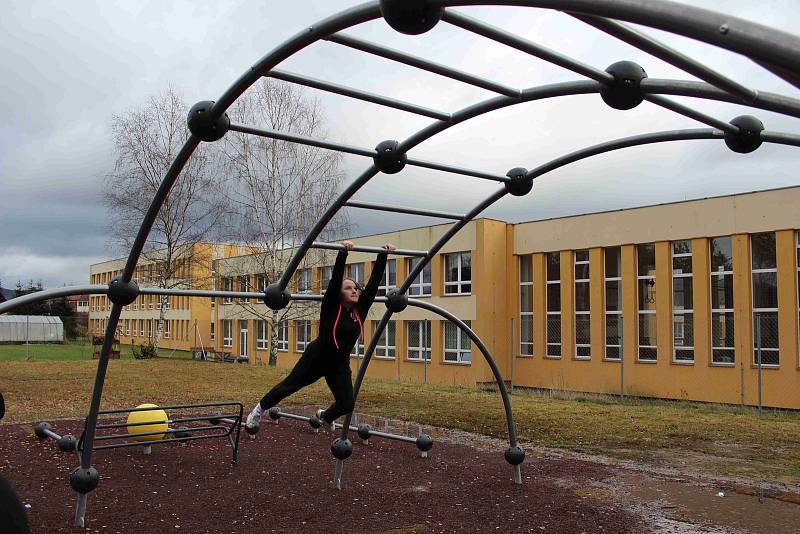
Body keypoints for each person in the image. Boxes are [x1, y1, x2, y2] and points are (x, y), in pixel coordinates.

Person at [246, 240, 396, 431]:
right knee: (288, 387)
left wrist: (383, 255)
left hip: (339, 364)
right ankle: (257, 411)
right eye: (348, 288)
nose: (354, 290)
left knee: (347, 404)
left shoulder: (360, 310)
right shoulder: (331, 307)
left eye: (356, 288)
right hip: (316, 358)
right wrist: (343, 254)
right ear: (340, 294)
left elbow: (373, 285)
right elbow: (334, 281)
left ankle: (324, 416)